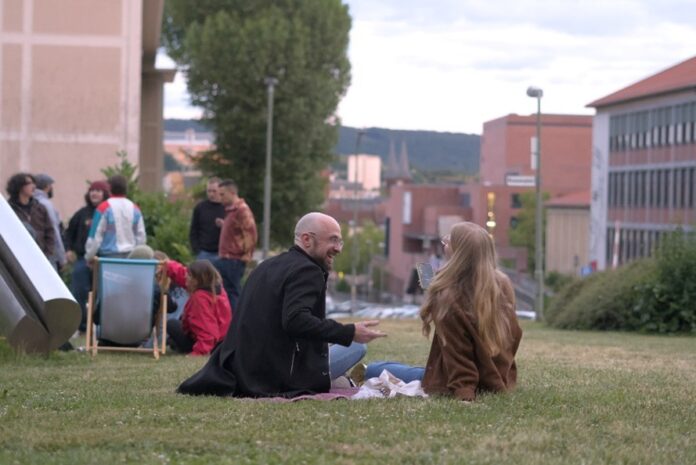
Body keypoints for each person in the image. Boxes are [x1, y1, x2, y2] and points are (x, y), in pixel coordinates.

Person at [177, 212, 386, 398]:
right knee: (358, 346)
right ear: (306, 240)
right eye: (333, 240)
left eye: (340, 242)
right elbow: (296, 320)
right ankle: (343, 380)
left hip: (241, 369)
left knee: (335, 356)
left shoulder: (265, 266)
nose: (338, 249)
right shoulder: (308, 270)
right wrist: (349, 332)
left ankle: (341, 380)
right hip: (277, 376)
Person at [365, 221, 523, 402]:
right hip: (497, 378)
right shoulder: (502, 283)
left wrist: (464, 392)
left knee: (374, 369)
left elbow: (457, 352)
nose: (444, 243)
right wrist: (501, 379)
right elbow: (513, 337)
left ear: (459, 253)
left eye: (449, 241)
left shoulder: (449, 296)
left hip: (454, 381)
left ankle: (368, 370)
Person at [64, 180, 110, 331]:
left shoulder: (108, 213)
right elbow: (68, 233)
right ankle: (80, 325)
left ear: (105, 194)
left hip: (104, 260)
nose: (94, 193)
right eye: (92, 190)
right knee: (79, 291)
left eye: (98, 190)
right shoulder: (81, 214)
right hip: (83, 259)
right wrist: (68, 249)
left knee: (103, 293)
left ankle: (100, 325)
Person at [163, 258, 232, 356]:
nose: (186, 276)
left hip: (212, 343)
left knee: (172, 324)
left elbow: (208, 330)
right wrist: (169, 266)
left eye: (189, 275)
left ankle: (191, 346)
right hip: (222, 340)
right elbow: (183, 276)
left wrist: (199, 352)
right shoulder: (215, 288)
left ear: (197, 280)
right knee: (174, 334)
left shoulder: (200, 298)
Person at [214, 179, 257, 310]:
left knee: (232, 293)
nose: (220, 198)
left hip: (233, 260)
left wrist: (246, 256)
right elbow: (237, 231)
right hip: (226, 258)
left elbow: (251, 234)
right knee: (227, 292)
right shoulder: (232, 211)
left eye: (222, 194)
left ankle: (236, 320)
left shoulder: (242, 210)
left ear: (232, 193)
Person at [84, 175, 146, 261]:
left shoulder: (103, 208)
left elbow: (95, 235)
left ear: (109, 189)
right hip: (130, 256)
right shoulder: (134, 208)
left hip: (108, 257)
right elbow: (141, 235)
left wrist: (89, 256)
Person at [5, 173, 55, 259]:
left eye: (33, 183)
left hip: (42, 256)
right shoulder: (9, 210)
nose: (33, 186)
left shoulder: (40, 208)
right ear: (19, 186)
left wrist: (48, 253)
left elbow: (50, 232)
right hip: (20, 257)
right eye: (29, 183)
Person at [33, 174, 67, 270]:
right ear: (48, 186)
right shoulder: (46, 204)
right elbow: (54, 230)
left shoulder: (30, 201)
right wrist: (61, 257)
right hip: (48, 252)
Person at [189, 177, 225, 261]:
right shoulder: (200, 207)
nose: (211, 194)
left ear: (221, 191)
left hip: (222, 253)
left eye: (214, 191)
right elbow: (193, 230)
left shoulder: (226, 207)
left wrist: (224, 225)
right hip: (204, 252)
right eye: (209, 191)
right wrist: (197, 249)